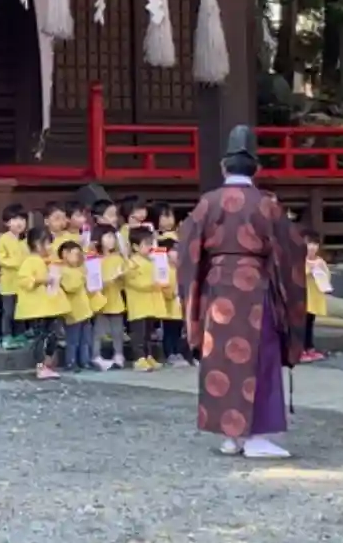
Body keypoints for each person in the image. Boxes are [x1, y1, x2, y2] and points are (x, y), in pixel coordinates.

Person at [179, 125, 307, 459]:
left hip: (217, 288)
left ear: (224, 167)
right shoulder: (266, 204)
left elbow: (188, 247)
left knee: (221, 357)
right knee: (258, 357)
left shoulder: (208, 202)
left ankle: (231, 435)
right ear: (256, 169)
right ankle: (256, 436)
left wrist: (198, 290)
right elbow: (291, 246)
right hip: (254, 289)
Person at [17, 232, 70, 380]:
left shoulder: (48, 261)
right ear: (37, 244)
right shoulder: (30, 261)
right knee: (40, 337)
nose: (50, 247)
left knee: (51, 335)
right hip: (37, 308)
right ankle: (40, 366)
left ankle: (47, 364)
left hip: (48, 306)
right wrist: (41, 280)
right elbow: (24, 281)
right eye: (47, 243)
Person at [123, 224, 170, 370]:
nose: (149, 247)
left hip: (151, 303)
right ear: (135, 246)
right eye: (146, 244)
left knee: (149, 333)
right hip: (138, 304)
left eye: (150, 243)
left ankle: (149, 355)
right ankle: (139, 358)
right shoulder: (131, 262)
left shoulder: (153, 260)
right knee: (139, 333)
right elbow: (131, 282)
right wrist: (152, 284)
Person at [0, 204, 32, 351]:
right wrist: (17, 263)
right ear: (6, 223)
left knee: (20, 311)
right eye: (14, 219)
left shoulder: (25, 241)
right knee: (8, 311)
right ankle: (7, 336)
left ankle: (20, 334)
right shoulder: (3, 240)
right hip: (8, 283)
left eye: (22, 219)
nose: (19, 223)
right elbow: (0, 258)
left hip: (22, 283)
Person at [89, 227, 127, 369]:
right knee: (98, 331)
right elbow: (92, 282)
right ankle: (96, 355)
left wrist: (121, 278)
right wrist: (107, 281)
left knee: (118, 331)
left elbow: (124, 282)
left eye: (113, 237)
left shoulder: (118, 258)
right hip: (100, 300)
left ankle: (118, 354)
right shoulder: (94, 259)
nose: (111, 240)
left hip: (115, 299)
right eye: (107, 237)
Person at [55, 239, 95, 372]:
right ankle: (71, 362)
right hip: (73, 312)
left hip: (85, 310)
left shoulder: (79, 270)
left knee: (85, 339)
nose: (78, 258)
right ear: (65, 254)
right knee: (73, 340)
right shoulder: (63, 271)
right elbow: (69, 287)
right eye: (75, 254)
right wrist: (82, 278)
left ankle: (85, 361)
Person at [155, 204, 188, 365]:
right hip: (168, 303)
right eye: (164, 216)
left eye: (170, 216)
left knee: (178, 329)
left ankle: (178, 352)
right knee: (169, 329)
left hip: (179, 304)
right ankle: (169, 353)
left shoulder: (181, 267)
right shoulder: (164, 266)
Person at [301, 230, 330, 363]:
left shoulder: (320, 261)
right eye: (309, 244)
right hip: (303, 298)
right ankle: (301, 349)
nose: (312, 247)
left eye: (315, 244)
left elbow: (327, 275)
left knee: (310, 323)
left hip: (314, 298)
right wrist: (309, 269)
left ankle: (310, 348)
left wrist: (320, 271)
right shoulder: (300, 261)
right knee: (301, 325)